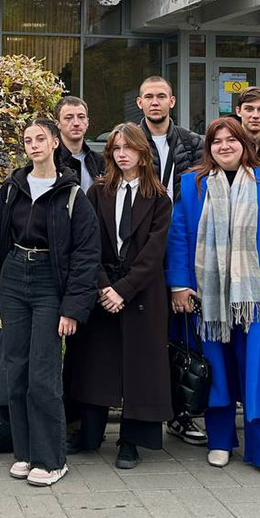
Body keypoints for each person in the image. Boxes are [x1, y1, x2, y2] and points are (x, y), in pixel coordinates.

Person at [167, 118, 260, 480]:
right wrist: (179, 285)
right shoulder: (193, 185)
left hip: (256, 301)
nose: (224, 146)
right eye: (216, 141)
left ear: (244, 144)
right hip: (208, 300)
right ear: (209, 148)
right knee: (217, 372)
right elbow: (179, 236)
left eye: (231, 140)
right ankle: (220, 441)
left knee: (259, 374)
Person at [0, 118, 100, 487]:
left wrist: (72, 308)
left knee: (43, 373)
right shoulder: (13, 188)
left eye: (40, 138)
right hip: (14, 276)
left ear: (54, 142)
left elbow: (86, 254)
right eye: (27, 140)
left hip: (50, 282)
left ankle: (51, 459)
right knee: (16, 368)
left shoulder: (72, 194)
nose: (33, 145)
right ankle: (25, 452)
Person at [64, 123, 173, 469]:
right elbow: (87, 243)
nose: (122, 154)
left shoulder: (159, 198)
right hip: (102, 289)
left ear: (143, 153)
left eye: (129, 148)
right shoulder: (98, 192)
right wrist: (103, 286)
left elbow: (154, 253)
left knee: (140, 368)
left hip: (141, 293)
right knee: (97, 363)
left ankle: (131, 441)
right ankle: (89, 433)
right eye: (116, 148)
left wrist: (123, 290)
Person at [136, 74, 207, 446]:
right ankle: (144, 413)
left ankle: (182, 414)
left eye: (161, 96)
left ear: (172, 101)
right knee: (149, 335)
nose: (155, 102)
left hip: (184, 246)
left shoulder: (194, 143)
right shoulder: (129, 139)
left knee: (183, 334)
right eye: (149, 96)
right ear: (140, 103)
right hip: (142, 247)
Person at [54, 95, 106, 189]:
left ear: (87, 122)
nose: (76, 123)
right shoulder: (50, 162)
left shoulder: (99, 162)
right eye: (69, 118)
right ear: (58, 124)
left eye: (81, 117)